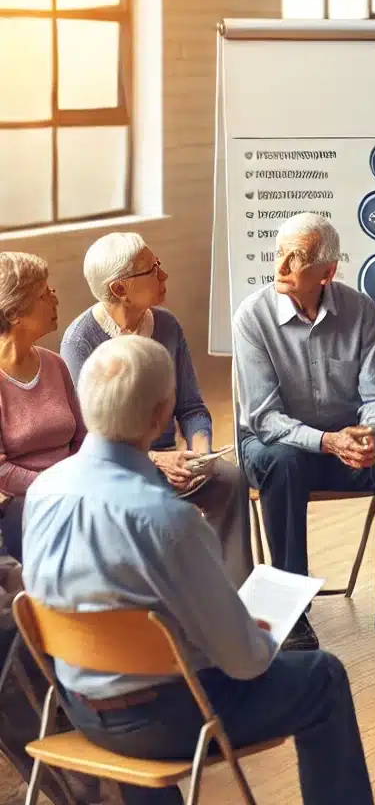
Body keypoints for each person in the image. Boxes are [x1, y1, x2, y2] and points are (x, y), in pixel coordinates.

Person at [20, 335, 375, 805]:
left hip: (77, 710)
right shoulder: (166, 518)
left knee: (126, 656)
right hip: (165, 723)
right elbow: (241, 662)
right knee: (322, 676)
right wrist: (256, 635)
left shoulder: (44, 490)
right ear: (163, 414)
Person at [234, 212, 375, 643]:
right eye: (279, 253)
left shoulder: (359, 310)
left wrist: (370, 435)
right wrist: (327, 442)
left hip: (343, 444)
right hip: (274, 446)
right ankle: (290, 607)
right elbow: (264, 418)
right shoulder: (253, 316)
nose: (280, 267)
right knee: (282, 463)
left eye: (295, 258)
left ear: (327, 271)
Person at [60, 232, 252, 588]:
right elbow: (90, 433)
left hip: (174, 460)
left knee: (230, 481)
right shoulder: (80, 340)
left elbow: (192, 407)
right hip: (117, 466)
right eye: (152, 270)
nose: (164, 276)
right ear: (119, 289)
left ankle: (235, 594)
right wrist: (157, 461)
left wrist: (200, 453)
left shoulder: (167, 325)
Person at [0, 252, 84, 562]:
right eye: (43, 294)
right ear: (13, 313)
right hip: (23, 504)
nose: (55, 300)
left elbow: (83, 438)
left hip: (75, 490)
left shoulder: (54, 364)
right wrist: (59, 487)